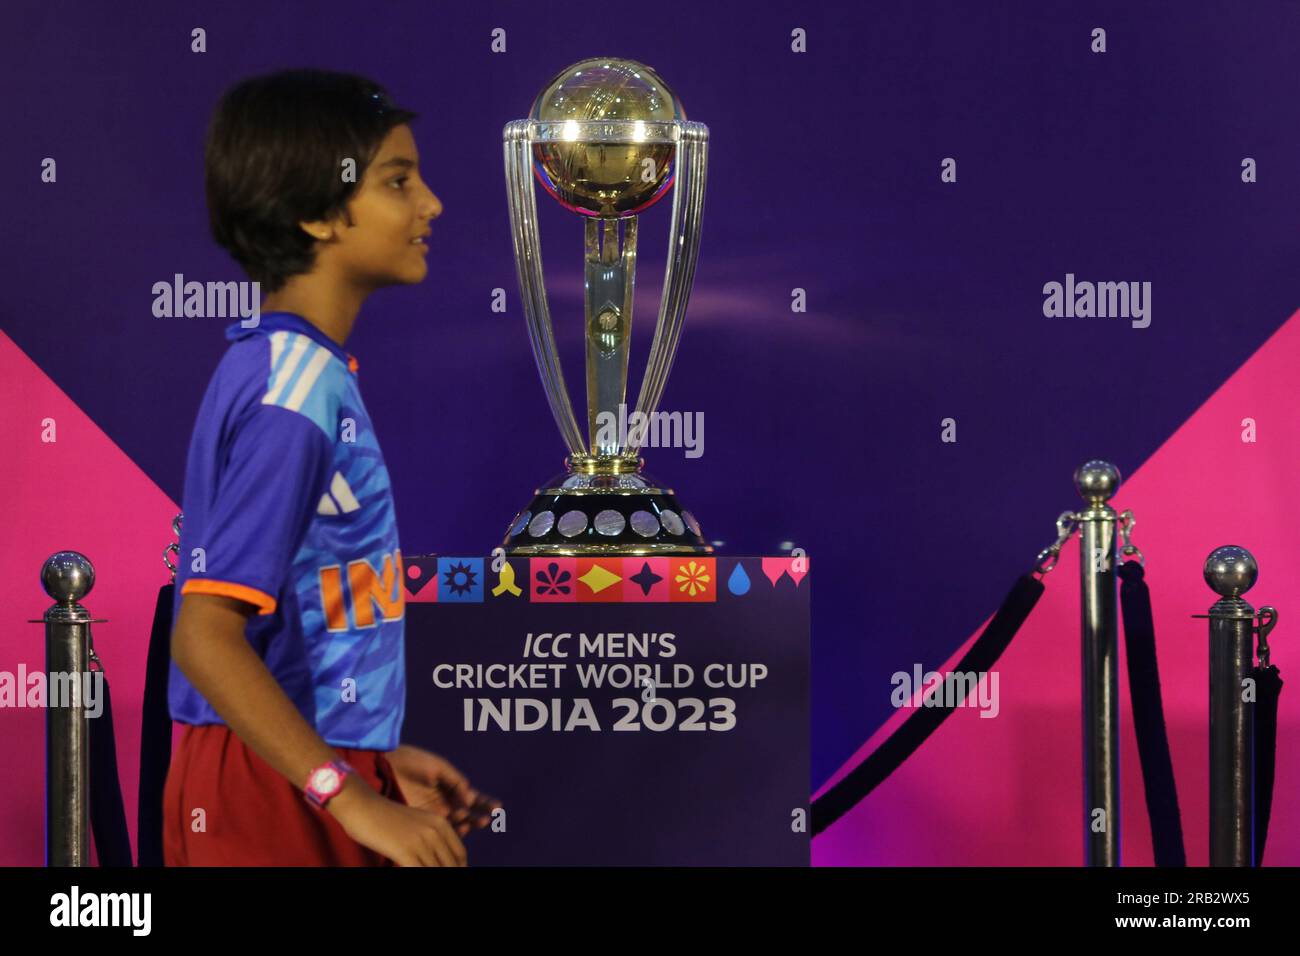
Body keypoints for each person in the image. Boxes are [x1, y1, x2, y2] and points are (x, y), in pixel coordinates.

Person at [164, 69, 494, 866]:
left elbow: (298, 614)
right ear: (316, 214)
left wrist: (369, 761)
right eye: (398, 181)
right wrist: (346, 797)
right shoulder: (294, 392)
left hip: (290, 767)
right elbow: (206, 638)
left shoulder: (296, 369)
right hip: (262, 791)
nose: (430, 205)